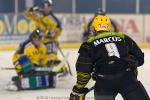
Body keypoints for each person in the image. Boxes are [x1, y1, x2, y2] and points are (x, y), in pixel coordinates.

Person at [69, 15, 150, 100]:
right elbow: (140, 59)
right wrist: (132, 63)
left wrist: (78, 88)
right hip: (127, 79)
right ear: (109, 27)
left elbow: (83, 72)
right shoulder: (123, 37)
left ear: (93, 29)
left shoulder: (88, 45)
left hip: (104, 83)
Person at [24, 3, 68, 77]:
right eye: (44, 7)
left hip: (51, 42)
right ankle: (45, 72)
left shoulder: (52, 18)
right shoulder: (38, 15)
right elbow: (27, 14)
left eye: (47, 7)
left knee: (50, 59)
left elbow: (58, 30)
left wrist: (51, 33)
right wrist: (30, 9)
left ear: (50, 8)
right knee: (42, 60)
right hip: (40, 42)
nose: (45, 9)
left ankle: (63, 70)